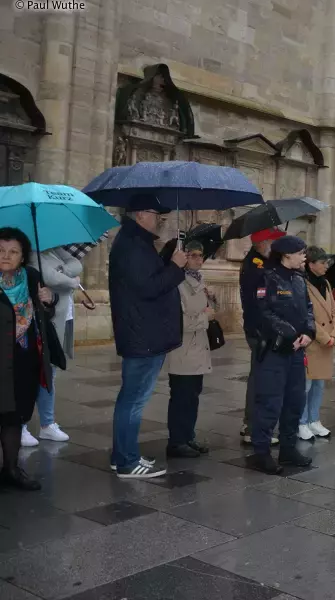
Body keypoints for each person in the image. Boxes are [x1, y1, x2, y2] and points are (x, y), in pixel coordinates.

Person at [109, 194, 185, 479]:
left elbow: (146, 278)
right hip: (143, 334)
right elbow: (149, 288)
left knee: (131, 398)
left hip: (143, 331)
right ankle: (128, 462)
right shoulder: (132, 245)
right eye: (157, 214)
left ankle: (122, 456)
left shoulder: (136, 242)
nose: (160, 220)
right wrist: (176, 266)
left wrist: (166, 257)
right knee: (134, 400)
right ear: (140, 214)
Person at [247, 235, 316, 474]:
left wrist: (308, 332)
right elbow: (264, 312)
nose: (304, 257)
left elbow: (308, 308)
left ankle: (288, 448)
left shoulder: (298, 279)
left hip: (296, 351)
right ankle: (261, 453)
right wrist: (291, 334)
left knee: (294, 401)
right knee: (269, 402)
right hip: (275, 350)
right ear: (287, 255)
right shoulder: (266, 277)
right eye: (300, 252)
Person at [0, 228, 58, 490]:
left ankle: (11, 469)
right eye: (0, 251)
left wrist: (49, 299)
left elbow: (46, 311)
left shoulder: (32, 277)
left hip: (25, 358)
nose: (5, 256)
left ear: (23, 257)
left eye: (13, 252)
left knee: (16, 415)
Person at [23, 246, 82, 445]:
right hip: (44, 321)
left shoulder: (55, 250)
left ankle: (47, 424)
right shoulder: (31, 252)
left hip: (60, 318)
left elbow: (78, 264)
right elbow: (50, 278)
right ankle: (21, 424)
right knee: (32, 374)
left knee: (50, 373)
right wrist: (71, 281)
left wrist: (62, 272)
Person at [162, 241, 214, 459]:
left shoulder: (199, 281)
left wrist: (210, 300)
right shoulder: (177, 283)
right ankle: (176, 442)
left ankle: (187, 437)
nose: (198, 259)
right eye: (192, 255)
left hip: (197, 349)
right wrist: (206, 316)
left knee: (192, 397)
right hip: (182, 350)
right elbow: (176, 321)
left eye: (200, 255)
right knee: (181, 397)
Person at [239, 227, 286, 445]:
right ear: (262, 243)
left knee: (260, 377)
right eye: (273, 243)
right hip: (261, 330)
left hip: (261, 328)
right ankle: (252, 427)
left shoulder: (262, 264)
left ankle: (251, 423)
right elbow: (262, 303)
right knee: (261, 380)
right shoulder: (256, 267)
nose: (276, 248)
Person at [299, 246, 335, 441]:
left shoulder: (325, 283)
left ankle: (314, 419)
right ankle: (301, 421)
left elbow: (334, 311)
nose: (326, 266)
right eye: (322, 263)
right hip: (313, 340)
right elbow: (307, 316)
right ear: (311, 264)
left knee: (319, 385)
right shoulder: (303, 284)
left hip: (327, 340)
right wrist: (326, 337)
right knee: (306, 385)